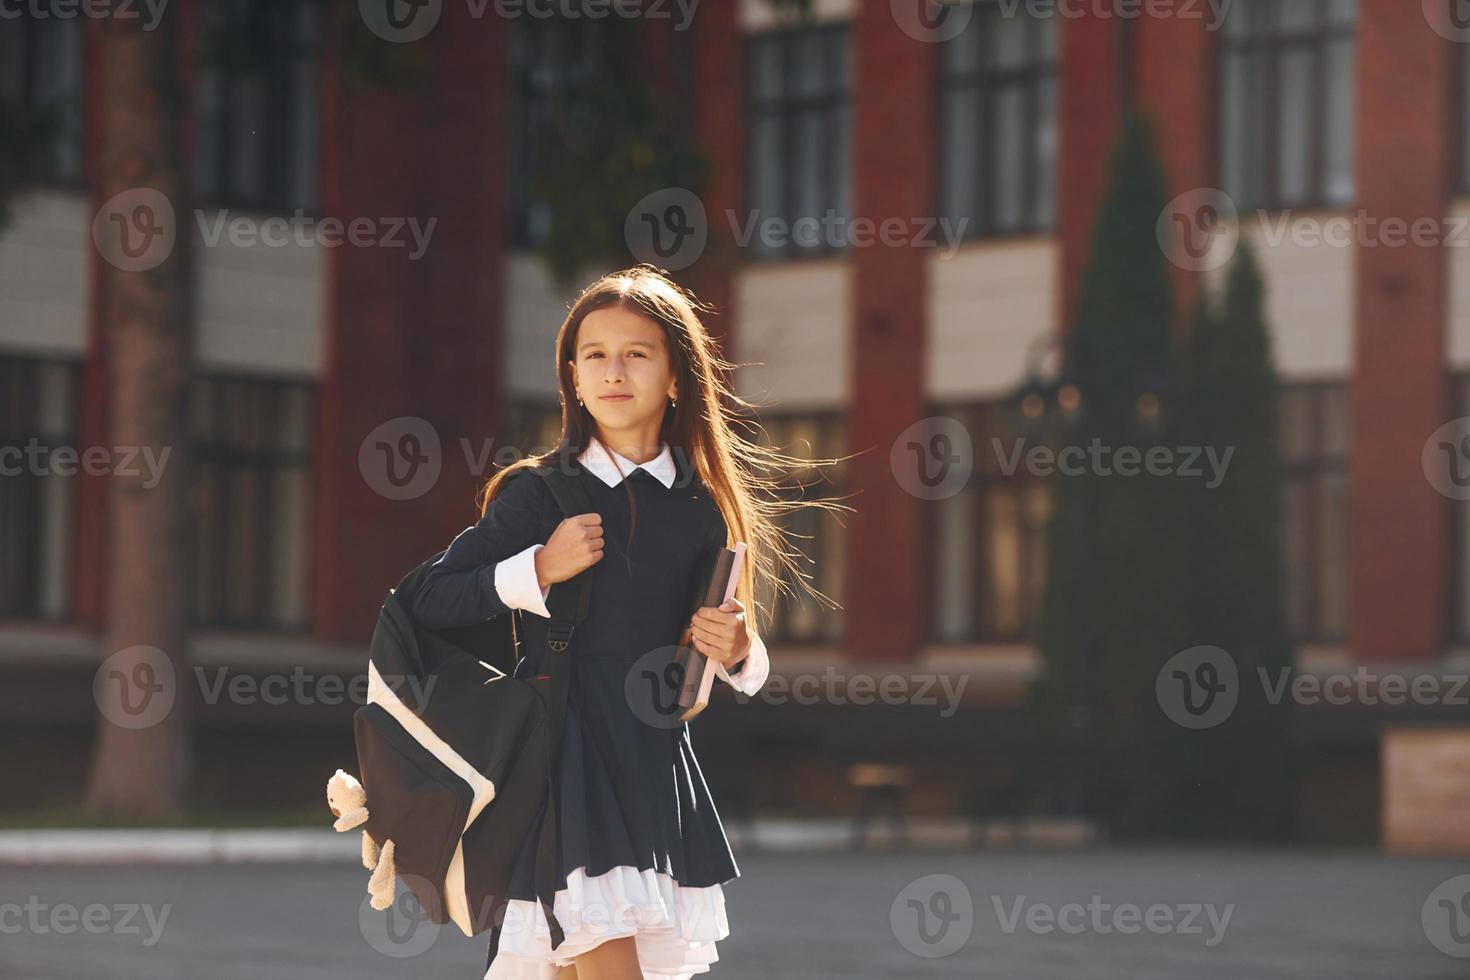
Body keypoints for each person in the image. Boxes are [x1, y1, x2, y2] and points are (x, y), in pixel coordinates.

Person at [410, 266, 849, 980]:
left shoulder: (702, 507)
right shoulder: (537, 494)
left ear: (676, 376)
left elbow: (707, 650)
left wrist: (738, 650)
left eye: (636, 353)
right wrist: (539, 570)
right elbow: (433, 597)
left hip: (650, 766)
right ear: (573, 378)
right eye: (594, 355)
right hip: (561, 764)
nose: (614, 371)